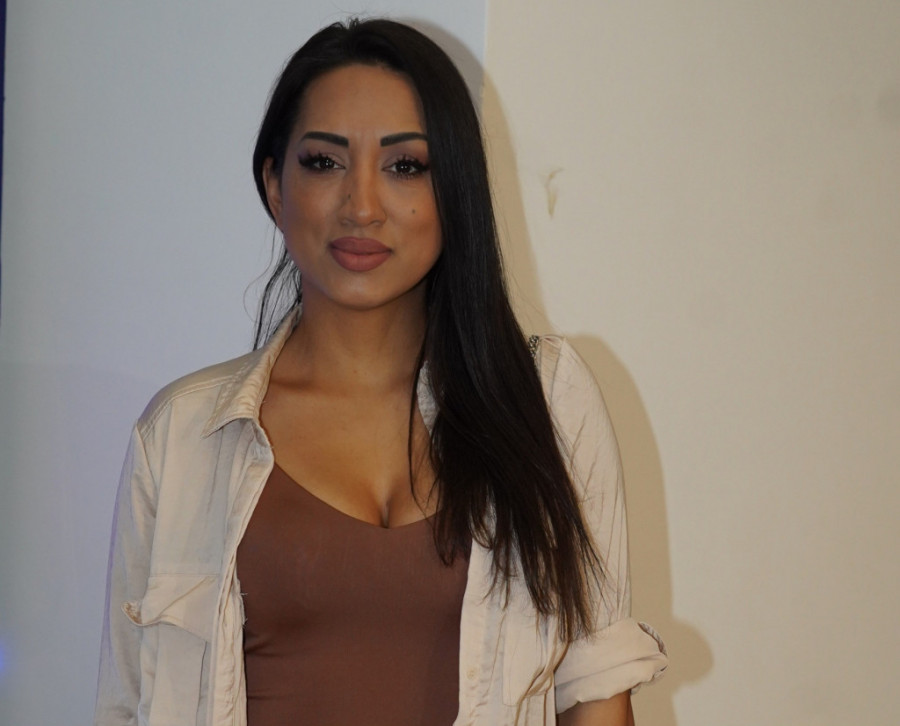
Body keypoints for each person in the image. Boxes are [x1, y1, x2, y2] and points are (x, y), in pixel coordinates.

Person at [93, 18, 666, 726]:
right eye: (324, 162)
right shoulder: (182, 436)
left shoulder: (545, 403)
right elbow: (125, 703)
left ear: (453, 190)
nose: (362, 206)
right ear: (275, 187)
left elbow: (598, 694)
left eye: (405, 166)